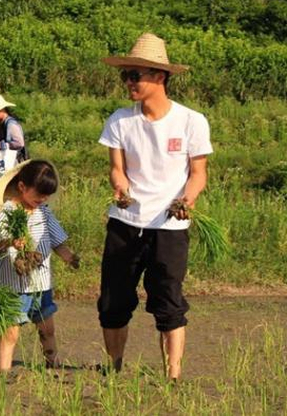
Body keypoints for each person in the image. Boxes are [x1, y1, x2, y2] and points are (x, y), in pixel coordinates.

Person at [98, 32, 212, 380]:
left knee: (168, 302)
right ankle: (114, 368)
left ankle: (172, 376)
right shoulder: (120, 119)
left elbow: (198, 174)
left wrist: (186, 201)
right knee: (113, 302)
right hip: (125, 223)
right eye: (125, 75)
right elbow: (117, 170)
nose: (128, 82)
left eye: (135, 75)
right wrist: (121, 189)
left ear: (160, 77)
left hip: (169, 226)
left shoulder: (191, 121)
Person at [0, 160, 79, 372]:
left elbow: (58, 242)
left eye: (47, 195)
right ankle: (3, 372)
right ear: (22, 187)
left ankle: (53, 365)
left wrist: (69, 257)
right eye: (40, 194)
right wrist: (11, 242)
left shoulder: (44, 212)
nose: (43, 199)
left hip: (41, 284)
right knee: (10, 332)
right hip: (13, 286)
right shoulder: (8, 211)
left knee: (47, 329)